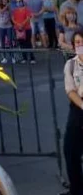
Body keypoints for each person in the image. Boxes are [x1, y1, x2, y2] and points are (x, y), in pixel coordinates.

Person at [63, 31, 83, 194]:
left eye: (82, 42)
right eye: (77, 43)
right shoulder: (70, 64)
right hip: (78, 108)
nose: (80, 46)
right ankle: (77, 189)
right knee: (70, 150)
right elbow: (70, 90)